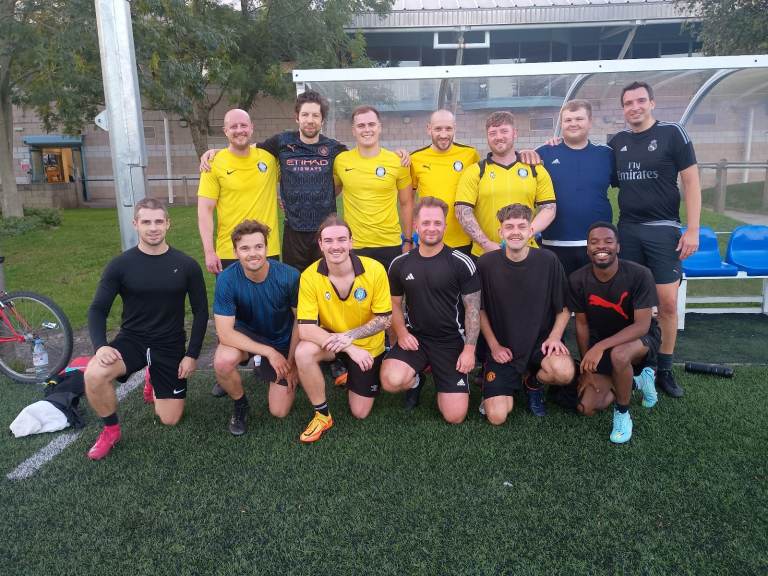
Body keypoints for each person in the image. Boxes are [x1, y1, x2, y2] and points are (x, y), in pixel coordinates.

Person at [84, 198, 208, 460]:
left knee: (170, 419)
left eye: (159, 221)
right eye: (147, 222)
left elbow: (201, 312)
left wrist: (191, 355)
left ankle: (153, 376)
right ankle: (111, 430)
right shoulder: (120, 265)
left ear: (168, 224)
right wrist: (101, 346)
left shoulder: (187, 265)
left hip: (170, 343)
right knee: (94, 374)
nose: (153, 228)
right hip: (133, 341)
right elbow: (97, 309)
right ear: (136, 224)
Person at [609, 81, 701, 398]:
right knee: (632, 304)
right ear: (623, 109)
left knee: (667, 304)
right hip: (628, 230)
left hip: (663, 230)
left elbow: (691, 182)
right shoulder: (617, 142)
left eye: (640, 101)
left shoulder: (673, 133)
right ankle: (635, 365)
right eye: (628, 103)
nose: (634, 107)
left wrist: (693, 229)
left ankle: (664, 369)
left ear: (652, 103)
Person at [200, 91, 347, 272]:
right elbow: (245, 146)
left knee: (328, 281)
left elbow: (345, 177)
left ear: (322, 119)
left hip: (326, 231)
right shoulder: (281, 142)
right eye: (305, 115)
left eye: (315, 115)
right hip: (294, 232)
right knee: (294, 283)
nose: (310, 120)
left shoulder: (335, 148)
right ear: (297, 118)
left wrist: (326, 194)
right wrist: (217, 152)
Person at [380, 197, 481, 422]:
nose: (431, 228)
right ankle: (416, 381)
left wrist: (469, 350)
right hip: (416, 338)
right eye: (426, 223)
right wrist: (402, 334)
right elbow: (394, 304)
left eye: (437, 223)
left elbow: (473, 311)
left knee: (455, 416)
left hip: (450, 341)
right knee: (391, 380)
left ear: (445, 225)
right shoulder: (400, 264)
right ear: (416, 225)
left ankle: (444, 381)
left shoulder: (461, 263)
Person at [294, 215, 392, 443]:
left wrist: (350, 338)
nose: (335, 246)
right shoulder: (309, 276)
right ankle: (322, 415)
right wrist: (348, 347)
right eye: (328, 241)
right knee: (303, 352)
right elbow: (305, 329)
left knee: (360, 412)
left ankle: (352, 374)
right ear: (320, 244)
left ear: (351, 242)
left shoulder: (374, 270)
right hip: (333, 342)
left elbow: (384, 320)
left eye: (341, 239)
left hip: (366, 346)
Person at [477, 203, 574, 424]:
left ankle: (533, 383)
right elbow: (479, 310)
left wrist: (554, 337)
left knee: (564, 372)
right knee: (497, 416)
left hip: (541, 346)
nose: (515, 232)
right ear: (500, 232)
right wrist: (494, 346)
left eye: (522, 226)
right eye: (509, 227)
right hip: (504, 350)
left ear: (531, 231)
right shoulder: (486, 264)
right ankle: (500, 384)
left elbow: (564, 307)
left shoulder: (548, 260)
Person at [569, 222, 660, 444]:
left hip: (641, 339)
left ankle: (622, 413)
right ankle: (640, 382)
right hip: (603, 343)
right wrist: (586, 367)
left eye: (608, 241)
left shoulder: (640, 274)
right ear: (587, 249)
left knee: (619, 354)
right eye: (594, 242)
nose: (601, 246)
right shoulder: (577, 279)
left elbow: (642, 325)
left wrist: (600, 347)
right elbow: (581, 324)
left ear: (618, 246)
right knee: (587, 407)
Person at [211, 220, 300, 436]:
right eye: (245, 248)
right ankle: (240, 404)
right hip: (246, 337)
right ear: (235, 252)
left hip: (281, 339)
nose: (253, 253)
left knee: (279, 411)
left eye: (258, 246)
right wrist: (268, 352)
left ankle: (271, 369)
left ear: (267, 248)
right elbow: (225, 333)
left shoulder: (290, 276)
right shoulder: (226, 279)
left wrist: (291, 364)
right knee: (222, 362)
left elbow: (301, 321)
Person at [455, 111, 557, 259]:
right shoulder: (475, 172)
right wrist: (486, 244)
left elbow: (549, 209)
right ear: (487, 137)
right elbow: (462, 212)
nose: (498, 137)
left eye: (504, 131)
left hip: (527, 252)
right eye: (493, 133)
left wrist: (524, 235)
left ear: (515, 133)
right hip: (486, 254)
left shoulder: (535, 169)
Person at [537, 99, 614, 276]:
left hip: (597, 244)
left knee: (596, 291)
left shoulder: (606, 154)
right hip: (554, 243)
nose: (573, 124)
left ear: (590, 121)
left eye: (579, 119)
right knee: (559, 293)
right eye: (568, 120)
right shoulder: (543, 153)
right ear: (562, 123)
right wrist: (525, 153)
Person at [197, 108, 280, 274]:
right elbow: (205, 210)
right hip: (230, 251)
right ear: (225, 131)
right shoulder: (213, 164)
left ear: (251, 128)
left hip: (267, 249)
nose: (239, 130)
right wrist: (209, 252)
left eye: (243, 125)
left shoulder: (269, 159)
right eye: (233, 126)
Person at [333, 105, 413, 271]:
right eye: (361, 125)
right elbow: (330, 193)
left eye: (371, 124)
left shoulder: (398, 161)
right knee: (358, 288)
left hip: (390, 243)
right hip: (355, 244)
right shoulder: (341, 161)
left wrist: (408, 240)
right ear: (353, 130)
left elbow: (406, 203)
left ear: (379, 127)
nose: (367, 129)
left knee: (391, 289)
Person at [409, 110, 480, 255]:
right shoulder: (415, 159)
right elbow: (408, 202)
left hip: (463, 239)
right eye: (438, 129)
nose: (443, 134)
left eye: (448, 129)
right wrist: (409, 237)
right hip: (428, 239)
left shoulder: (470, 154)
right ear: (429, 129)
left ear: (455, 128)